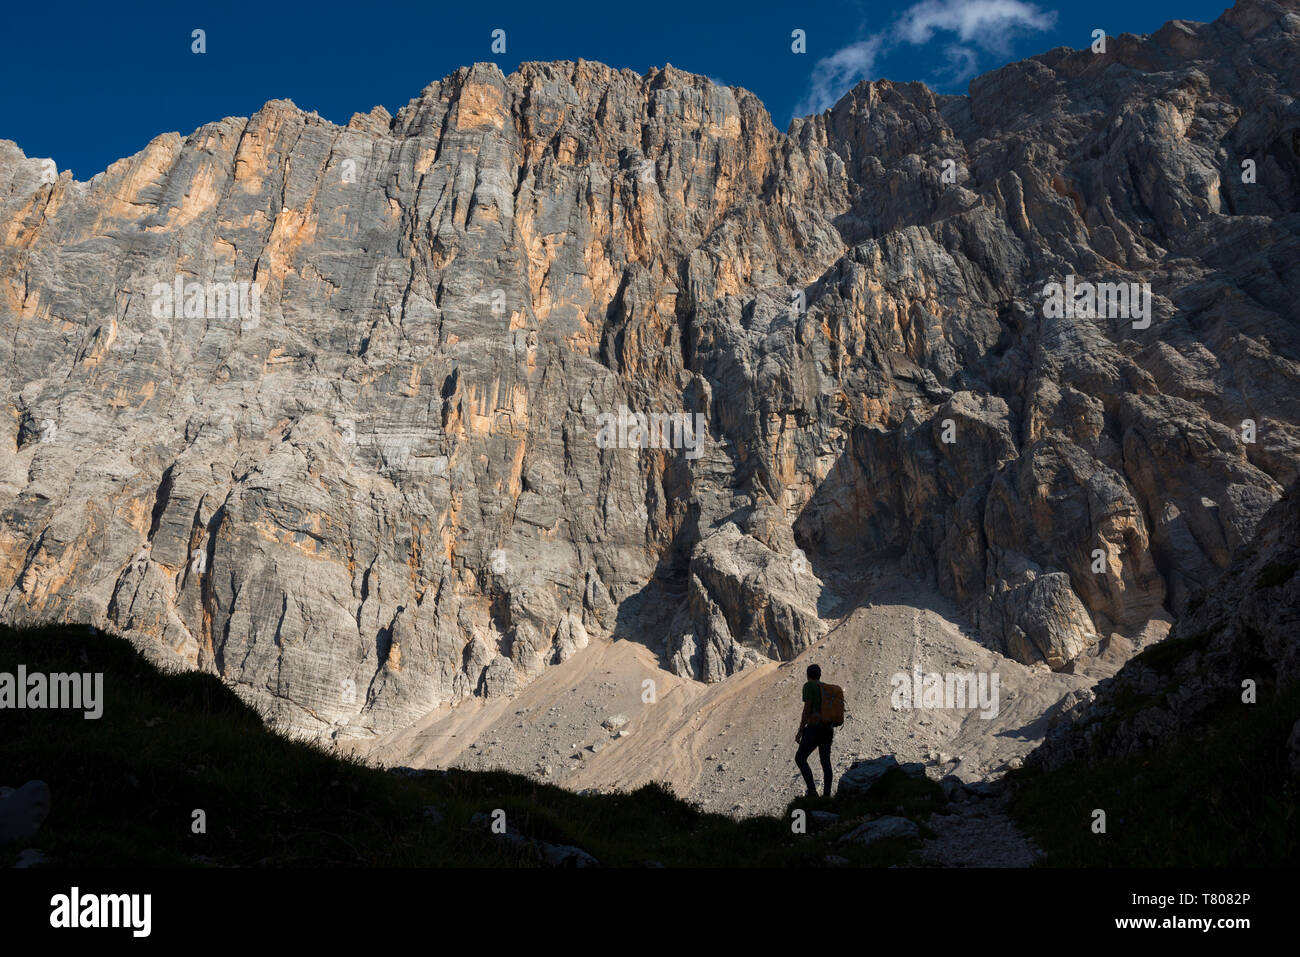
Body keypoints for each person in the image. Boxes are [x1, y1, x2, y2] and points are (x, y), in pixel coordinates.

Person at [795, 663, 833, 797]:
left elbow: (807, 709)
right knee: (825, 762)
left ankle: (812, 791)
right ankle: (827, 796)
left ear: (808, 675)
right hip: (828, 728)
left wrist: (800, 730)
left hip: (814, 728)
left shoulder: (809, 686)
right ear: (820, 675)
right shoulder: (825, 687)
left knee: (800, 758)